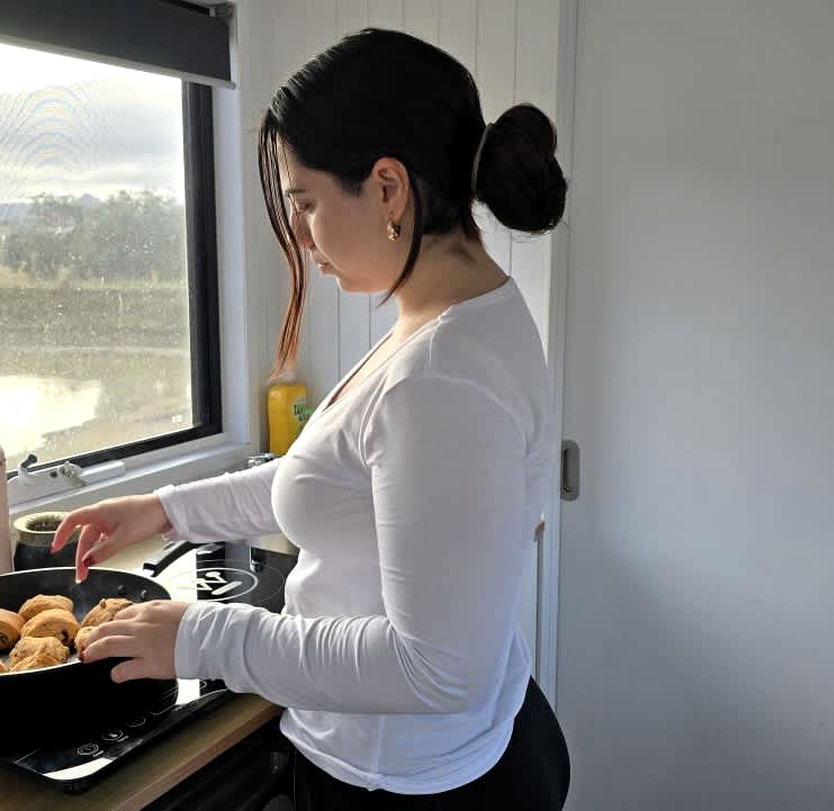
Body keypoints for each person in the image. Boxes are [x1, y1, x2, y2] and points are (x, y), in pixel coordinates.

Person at [52, 28, 570, 810]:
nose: (299, 235)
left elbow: (434, 667)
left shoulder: (440, 376)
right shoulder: (455, 318)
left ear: (389, 189)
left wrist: (200, 637)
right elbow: (331, 479)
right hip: (453, 752)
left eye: (307, 202)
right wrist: (163, 509)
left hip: (412, 784)